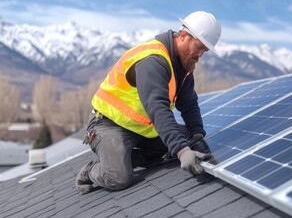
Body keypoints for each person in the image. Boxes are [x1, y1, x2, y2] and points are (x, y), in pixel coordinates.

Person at [75, 11, 221, 194]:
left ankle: (122, 158)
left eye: (205, 51)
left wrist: (197, 136)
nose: (200, 55)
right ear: (184, 36)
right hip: (108, 124)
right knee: (118, 178)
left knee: (186, 139)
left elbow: (189, 105)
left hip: (141, 129)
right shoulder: (154, 60)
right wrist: (183, 152)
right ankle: (92, 169)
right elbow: (157, 108)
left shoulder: (184, 67)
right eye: (199, 47)